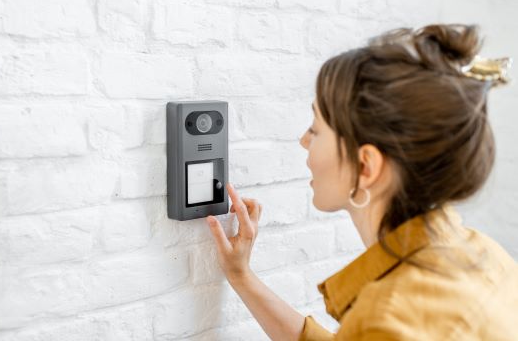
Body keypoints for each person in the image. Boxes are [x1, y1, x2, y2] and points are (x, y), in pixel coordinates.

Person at [206, 24, 517, 340]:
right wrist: (241, 276)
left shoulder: (386, 318)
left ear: (365, 166)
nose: (303, 140)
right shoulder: (486, 255)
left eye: (316, 129)